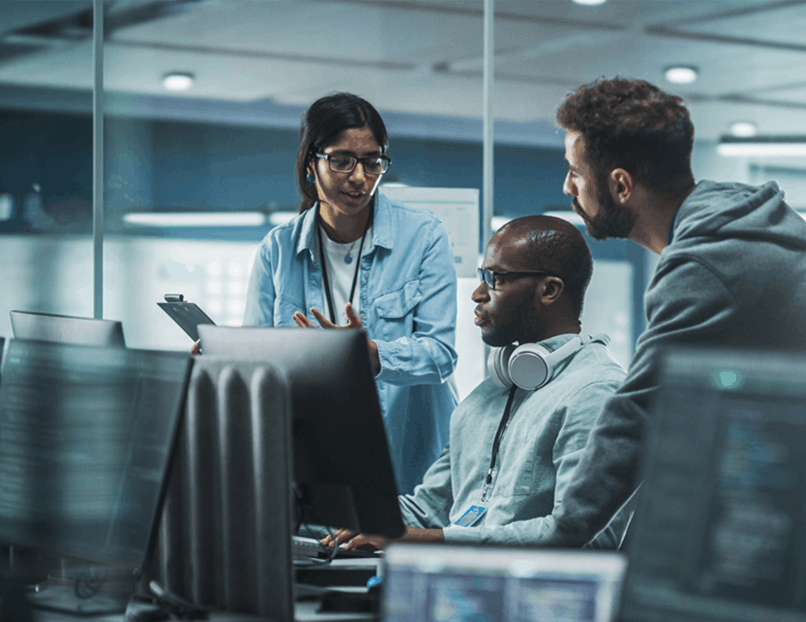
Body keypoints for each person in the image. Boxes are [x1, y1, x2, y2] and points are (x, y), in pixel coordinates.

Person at [544, 76, 806, 546]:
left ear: (621, 185)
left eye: (575, 172)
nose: (567, 186)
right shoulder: (728, 220)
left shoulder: (708, 260)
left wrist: (558, 541)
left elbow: (636, 416)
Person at [321, 215, 631, 551]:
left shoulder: (596, 392)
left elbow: (583, 535)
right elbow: (427, 512)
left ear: (550, 290)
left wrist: (426, 538)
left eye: (495, 279)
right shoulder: (487, 396)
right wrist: (346, 516)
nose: (477, 293)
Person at [239, 92, 458, 495]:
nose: (359, 178)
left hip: (409, 470)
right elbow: (257, 359)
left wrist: (371, 355)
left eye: (373, 162)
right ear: (311, 164)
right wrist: (221, 364)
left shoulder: (424, 237)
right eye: (342, 161)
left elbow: (441, 356)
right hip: (314, 463)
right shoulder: (277, 250)